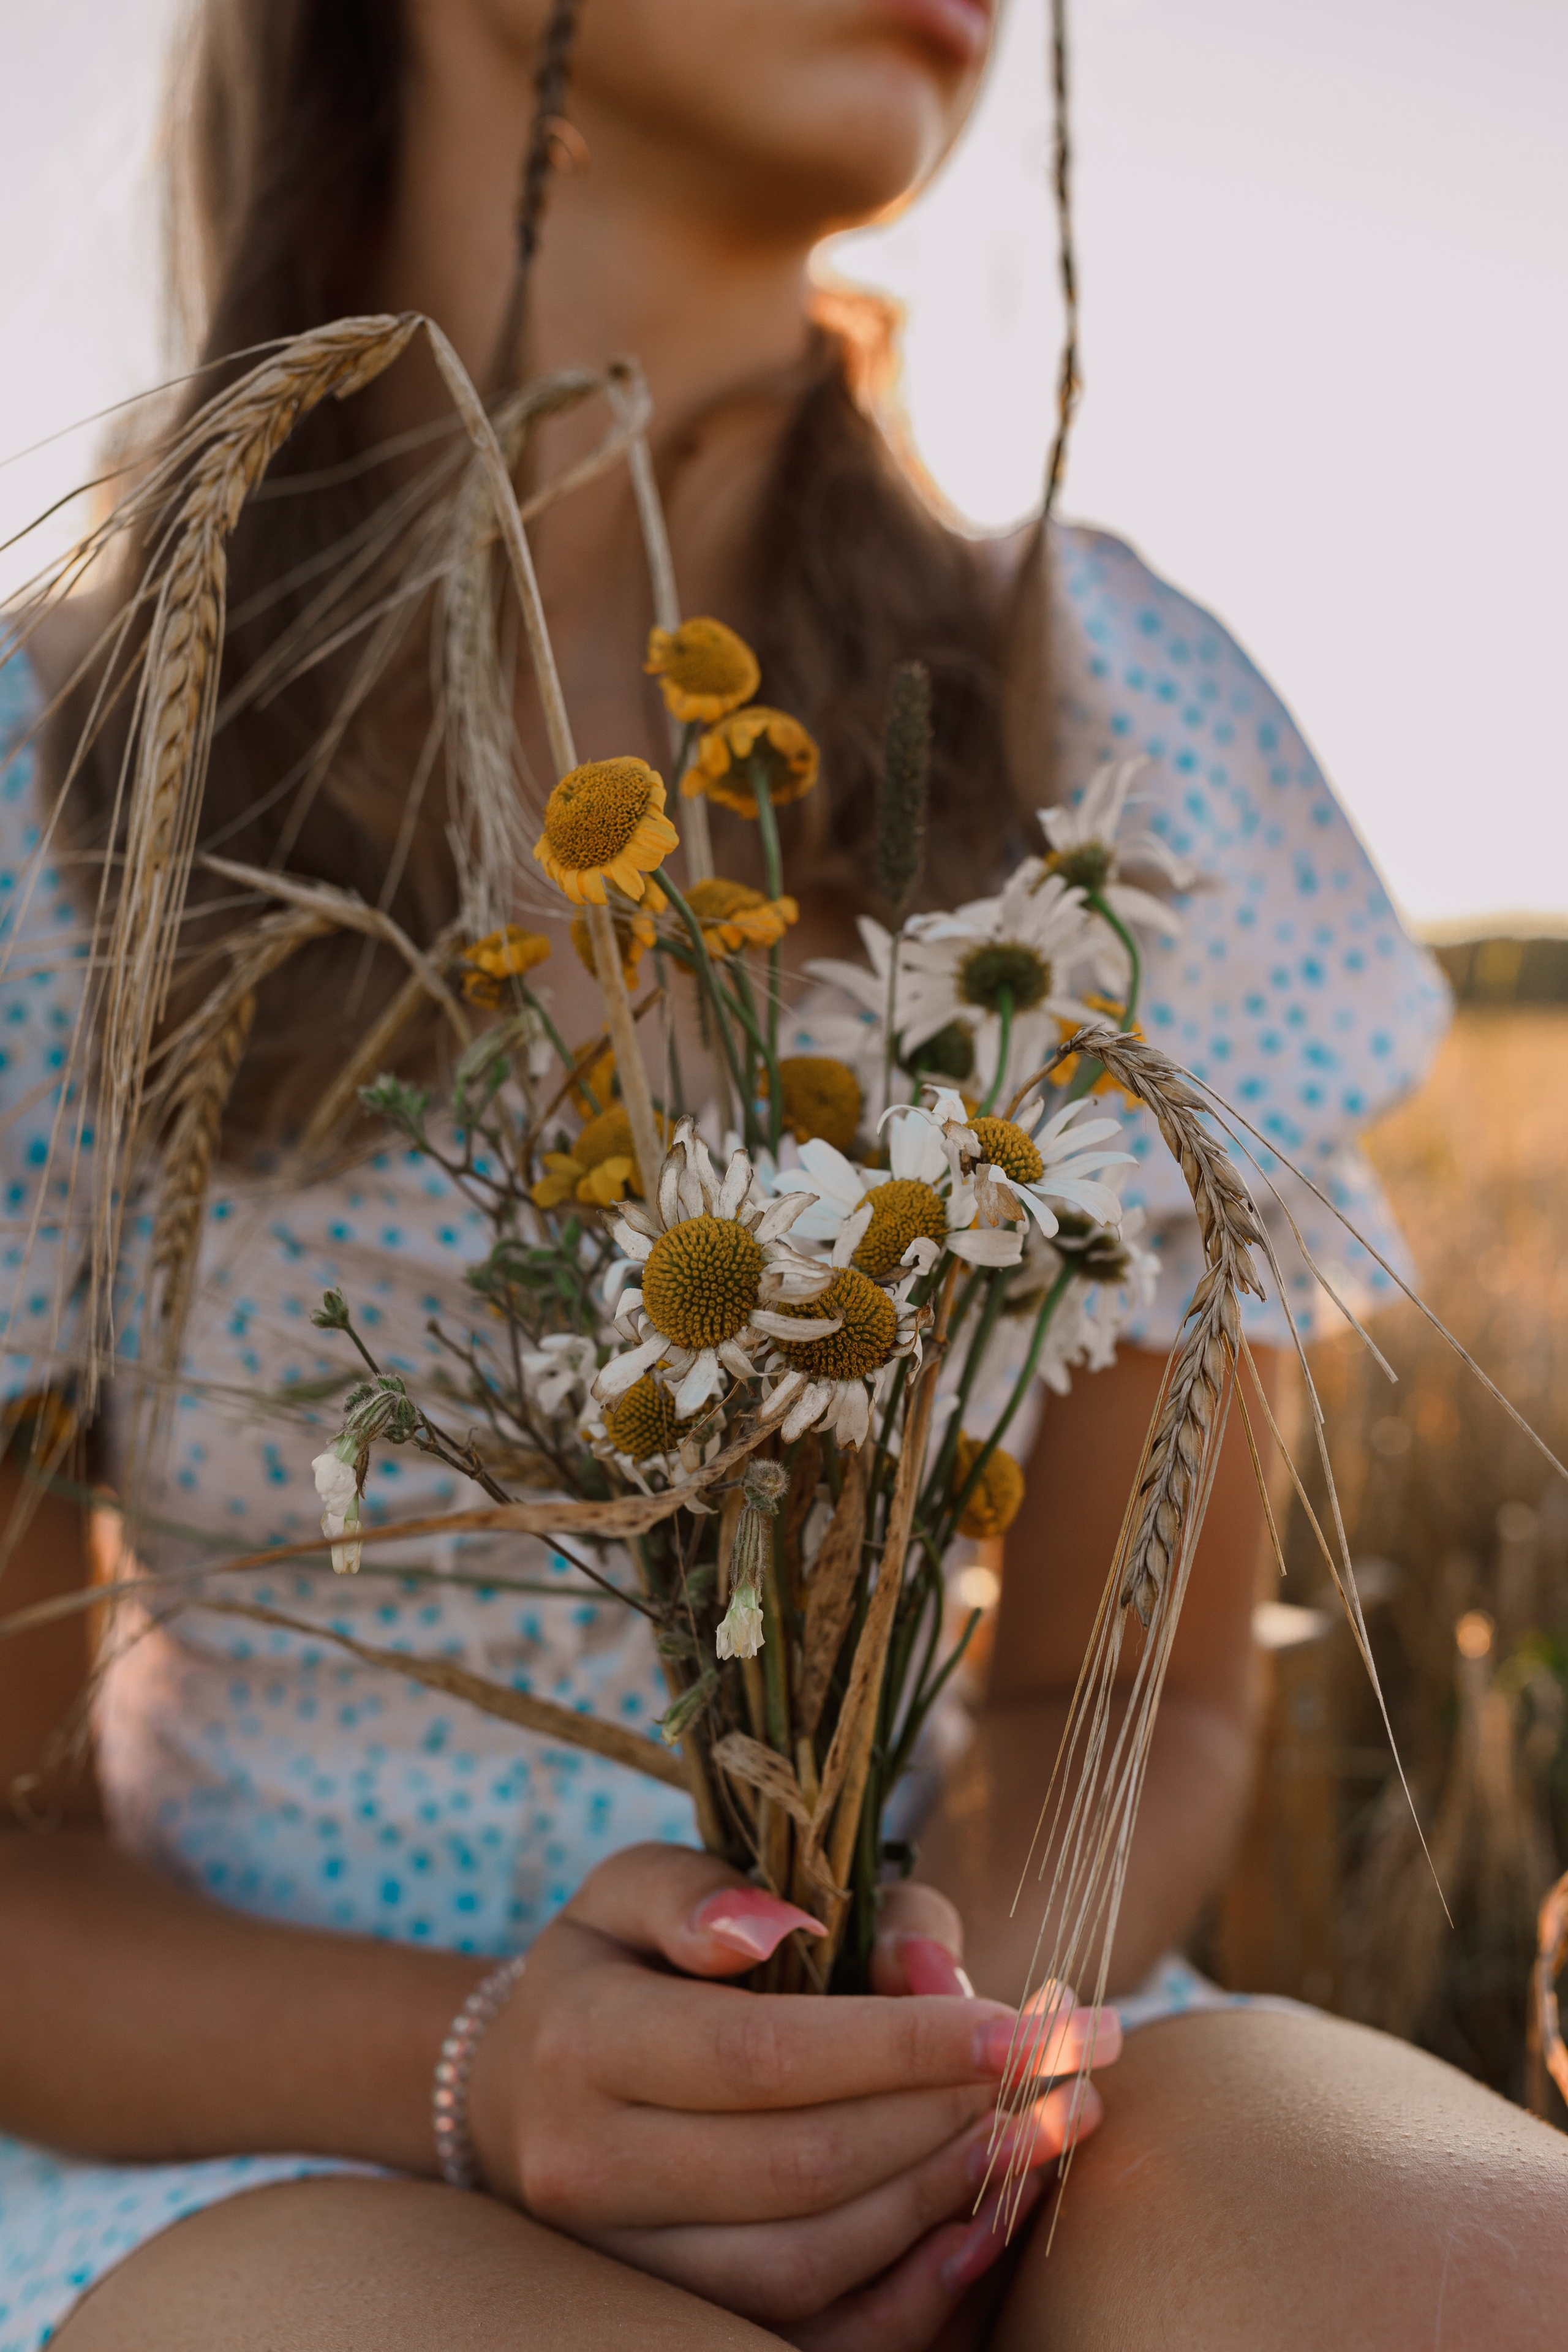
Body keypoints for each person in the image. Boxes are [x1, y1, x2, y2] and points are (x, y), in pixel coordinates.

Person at [1, 3, 1564, 2348]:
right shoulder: (57, 780)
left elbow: (1129, 1692)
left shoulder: (1114, 723)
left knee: (1470, 2276)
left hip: (974, 2026)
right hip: (264, 2121)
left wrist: (877, 2082)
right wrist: (483, 2072)